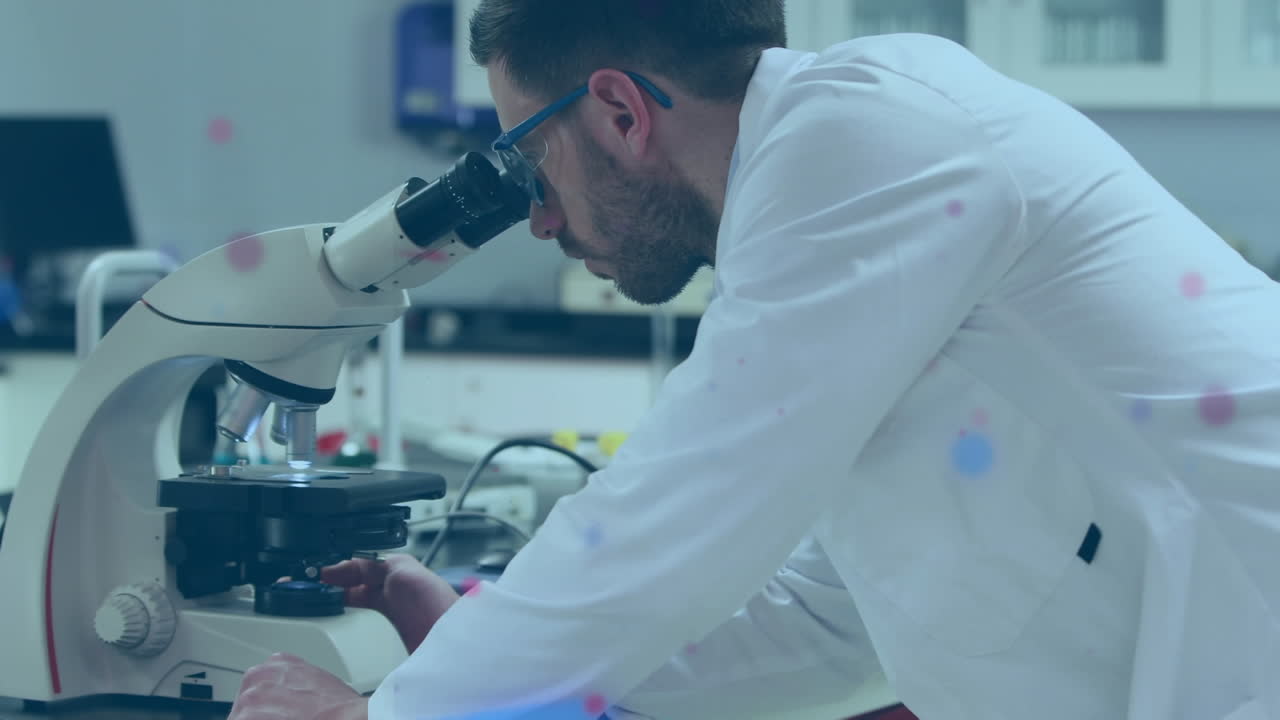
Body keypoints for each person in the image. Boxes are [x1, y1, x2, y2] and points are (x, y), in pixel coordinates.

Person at [229, 1, 1280, 718]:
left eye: (526, 160)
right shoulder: (838, 196)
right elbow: (827, 610)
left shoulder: (863, 140)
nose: (536, 218)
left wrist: (396, 712)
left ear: (618, 111)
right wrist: (489, 658)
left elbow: (678, 512)